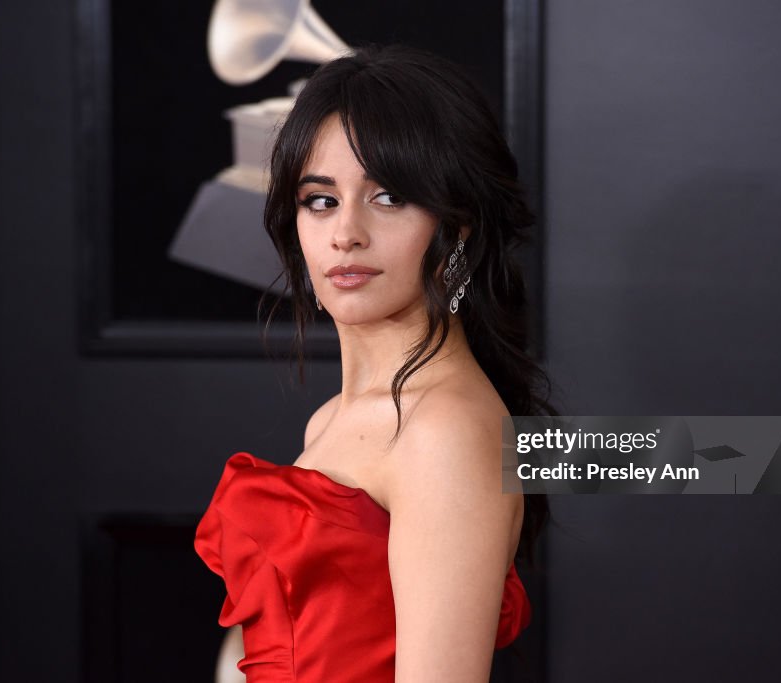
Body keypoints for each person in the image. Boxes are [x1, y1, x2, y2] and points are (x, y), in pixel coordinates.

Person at [195, 44, 556, 683]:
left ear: (459, 227)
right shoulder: (332, 419)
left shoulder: (444, 431)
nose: (346, 234)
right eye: (321, 200)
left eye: (388, 197)